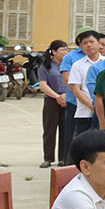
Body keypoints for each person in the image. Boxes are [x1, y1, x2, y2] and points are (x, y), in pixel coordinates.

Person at [39, 39, 71, 168]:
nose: (65, 52)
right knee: (49, 130)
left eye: (66, 49)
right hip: (51, 100)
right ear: (53, 51)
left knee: (65, 130)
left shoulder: (69, 65)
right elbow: (43, 85)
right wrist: (58, 97)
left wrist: (66, 96)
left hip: (67, 99)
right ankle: (48, 158)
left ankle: (63, 158)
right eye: (62, 49)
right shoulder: (46, 66)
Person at [66, 32, 104, 140]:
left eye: (91, 42)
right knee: (84, 145)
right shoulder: (77, 65)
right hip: (85, 113)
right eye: (84, 43)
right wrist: (93, 106)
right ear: (81, 47)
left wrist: (101, 108)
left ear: (99, 43)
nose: (89, 45)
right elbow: (76, 90)